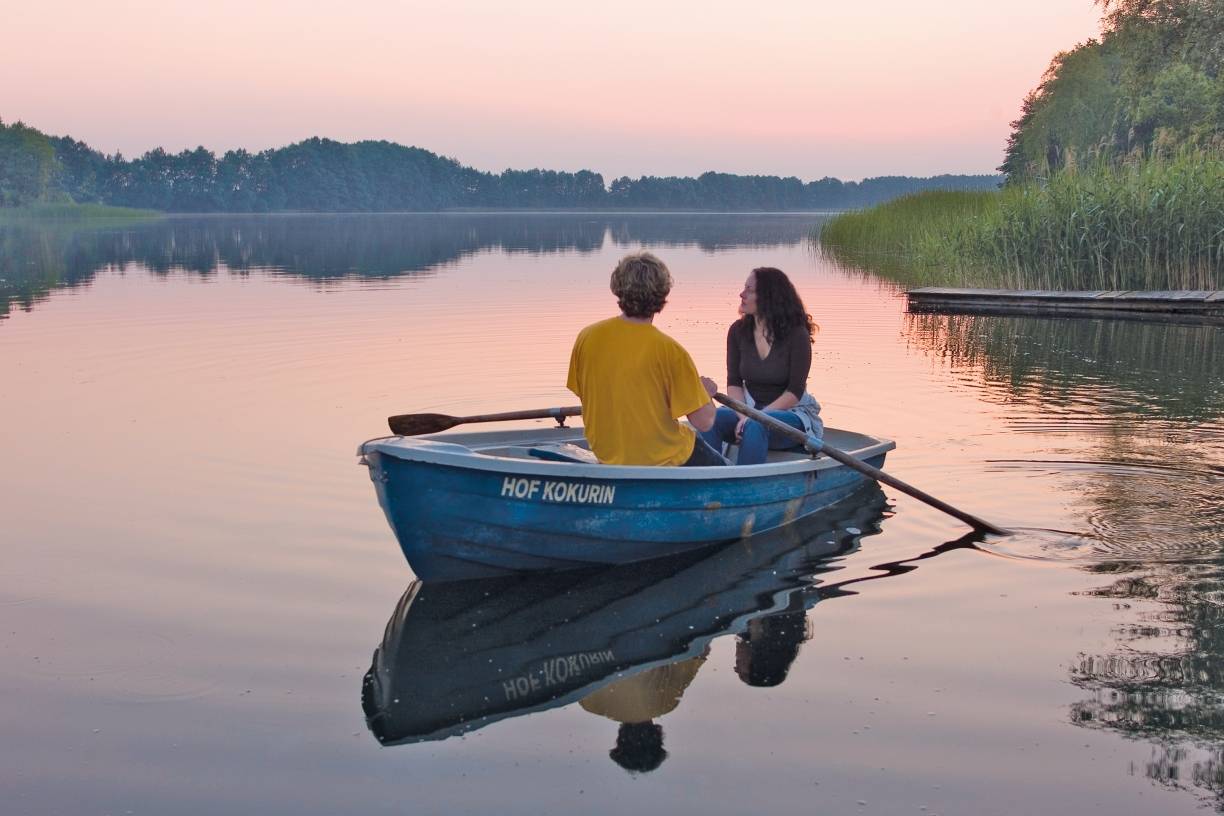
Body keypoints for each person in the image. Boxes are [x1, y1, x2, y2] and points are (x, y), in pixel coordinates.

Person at [567, 252, 727, 466]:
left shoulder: (587, 337)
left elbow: (588, 394)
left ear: (617, 288)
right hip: (665, 459)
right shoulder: (670, 351)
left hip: (609, 457)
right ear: (663, 294)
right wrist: (704, 394)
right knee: (725, 469)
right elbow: (704, 422)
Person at [699, 266, 823, 465]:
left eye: (749, 290)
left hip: (791, 416)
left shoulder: (797, 334)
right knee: (711, 418)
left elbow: (794, 392)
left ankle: (745, 481)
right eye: (744, 288)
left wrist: (754, 418)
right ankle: (712, 476)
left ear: (768, 297)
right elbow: (734, 383)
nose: (742, 294)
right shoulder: (737, 331)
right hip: (749, 411)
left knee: (757, 425)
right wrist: (744, 416)